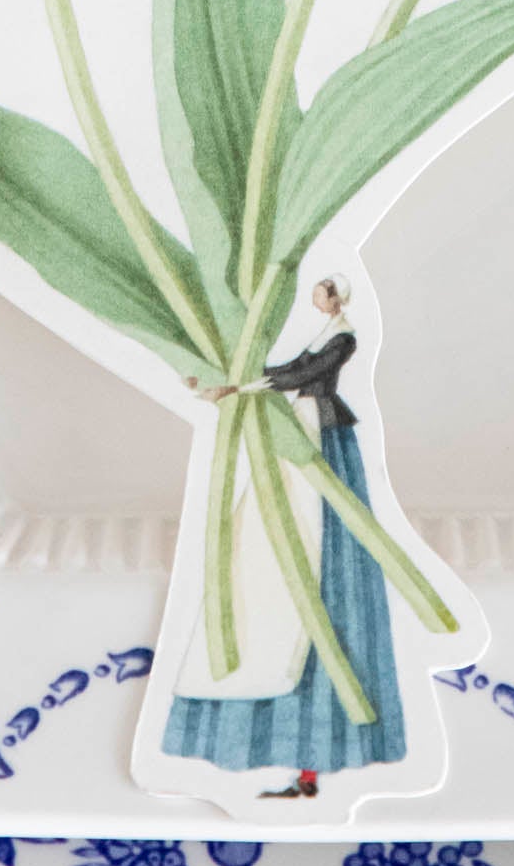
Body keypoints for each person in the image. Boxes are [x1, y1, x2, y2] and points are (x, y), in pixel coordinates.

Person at [165, 274, 405, 798]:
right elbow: (293, 371)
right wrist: (233, 385)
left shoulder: (341, 338)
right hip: (302, 429)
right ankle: (293, 762)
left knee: (316, 551)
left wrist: (239, 382)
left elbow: (303, 374)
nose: (315, 298)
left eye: (320, 290)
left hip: (318, 436)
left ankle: (311, 764)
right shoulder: (326, 333)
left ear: (333, 297)